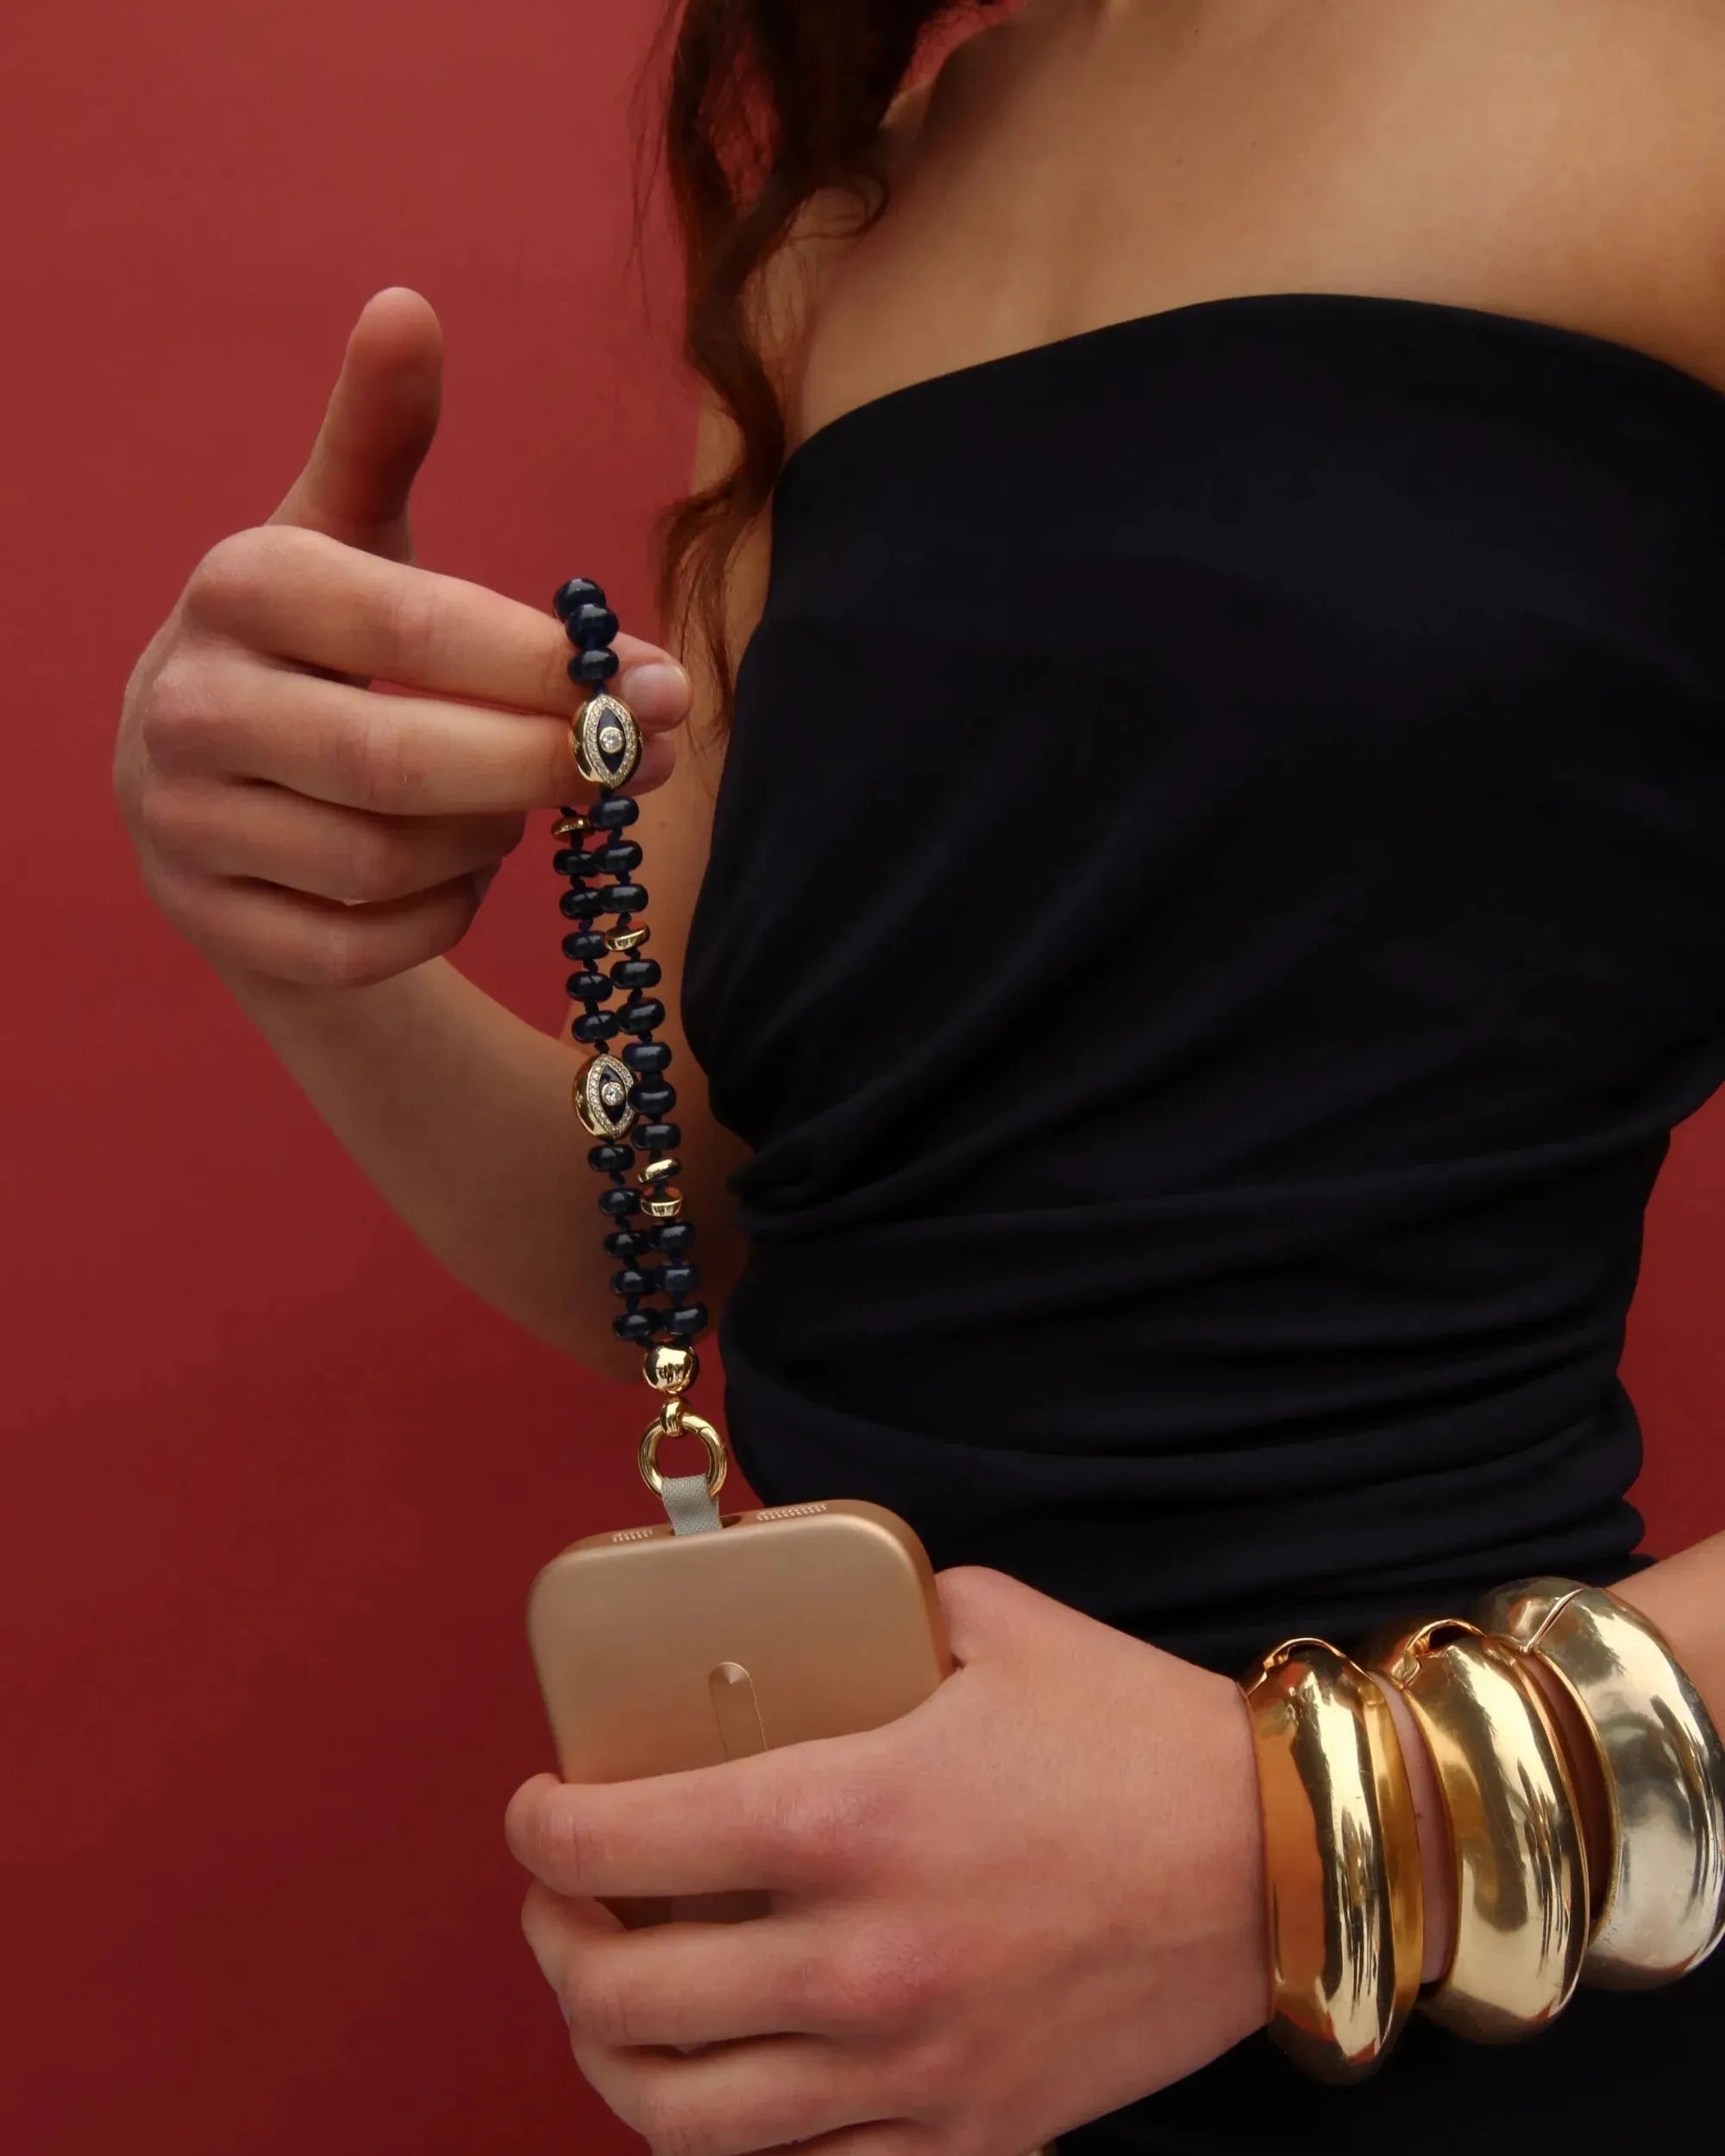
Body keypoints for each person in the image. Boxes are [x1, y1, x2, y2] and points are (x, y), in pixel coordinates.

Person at [113, 3, 1725, 2150]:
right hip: (877, 2046)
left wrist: (1286, 1846)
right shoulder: (839, 234)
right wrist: (300, 944)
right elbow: (695, 1239)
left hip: (1493, 2049)